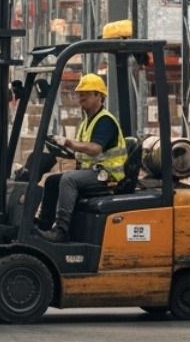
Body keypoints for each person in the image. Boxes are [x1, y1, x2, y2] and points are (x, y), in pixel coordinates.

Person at [36, 73, 131, 243]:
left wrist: (69, 143)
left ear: (99, 96)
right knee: (52, 181)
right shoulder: (88, 121)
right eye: (80, 93)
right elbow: (81, 152)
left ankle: (61, 230)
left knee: (69, 179)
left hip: (106, 175)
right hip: (92, 172)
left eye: (86, 93)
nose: (81, 97)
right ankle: (43, 225)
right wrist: (62, 147)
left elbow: (95, 148)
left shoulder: (105, 121)